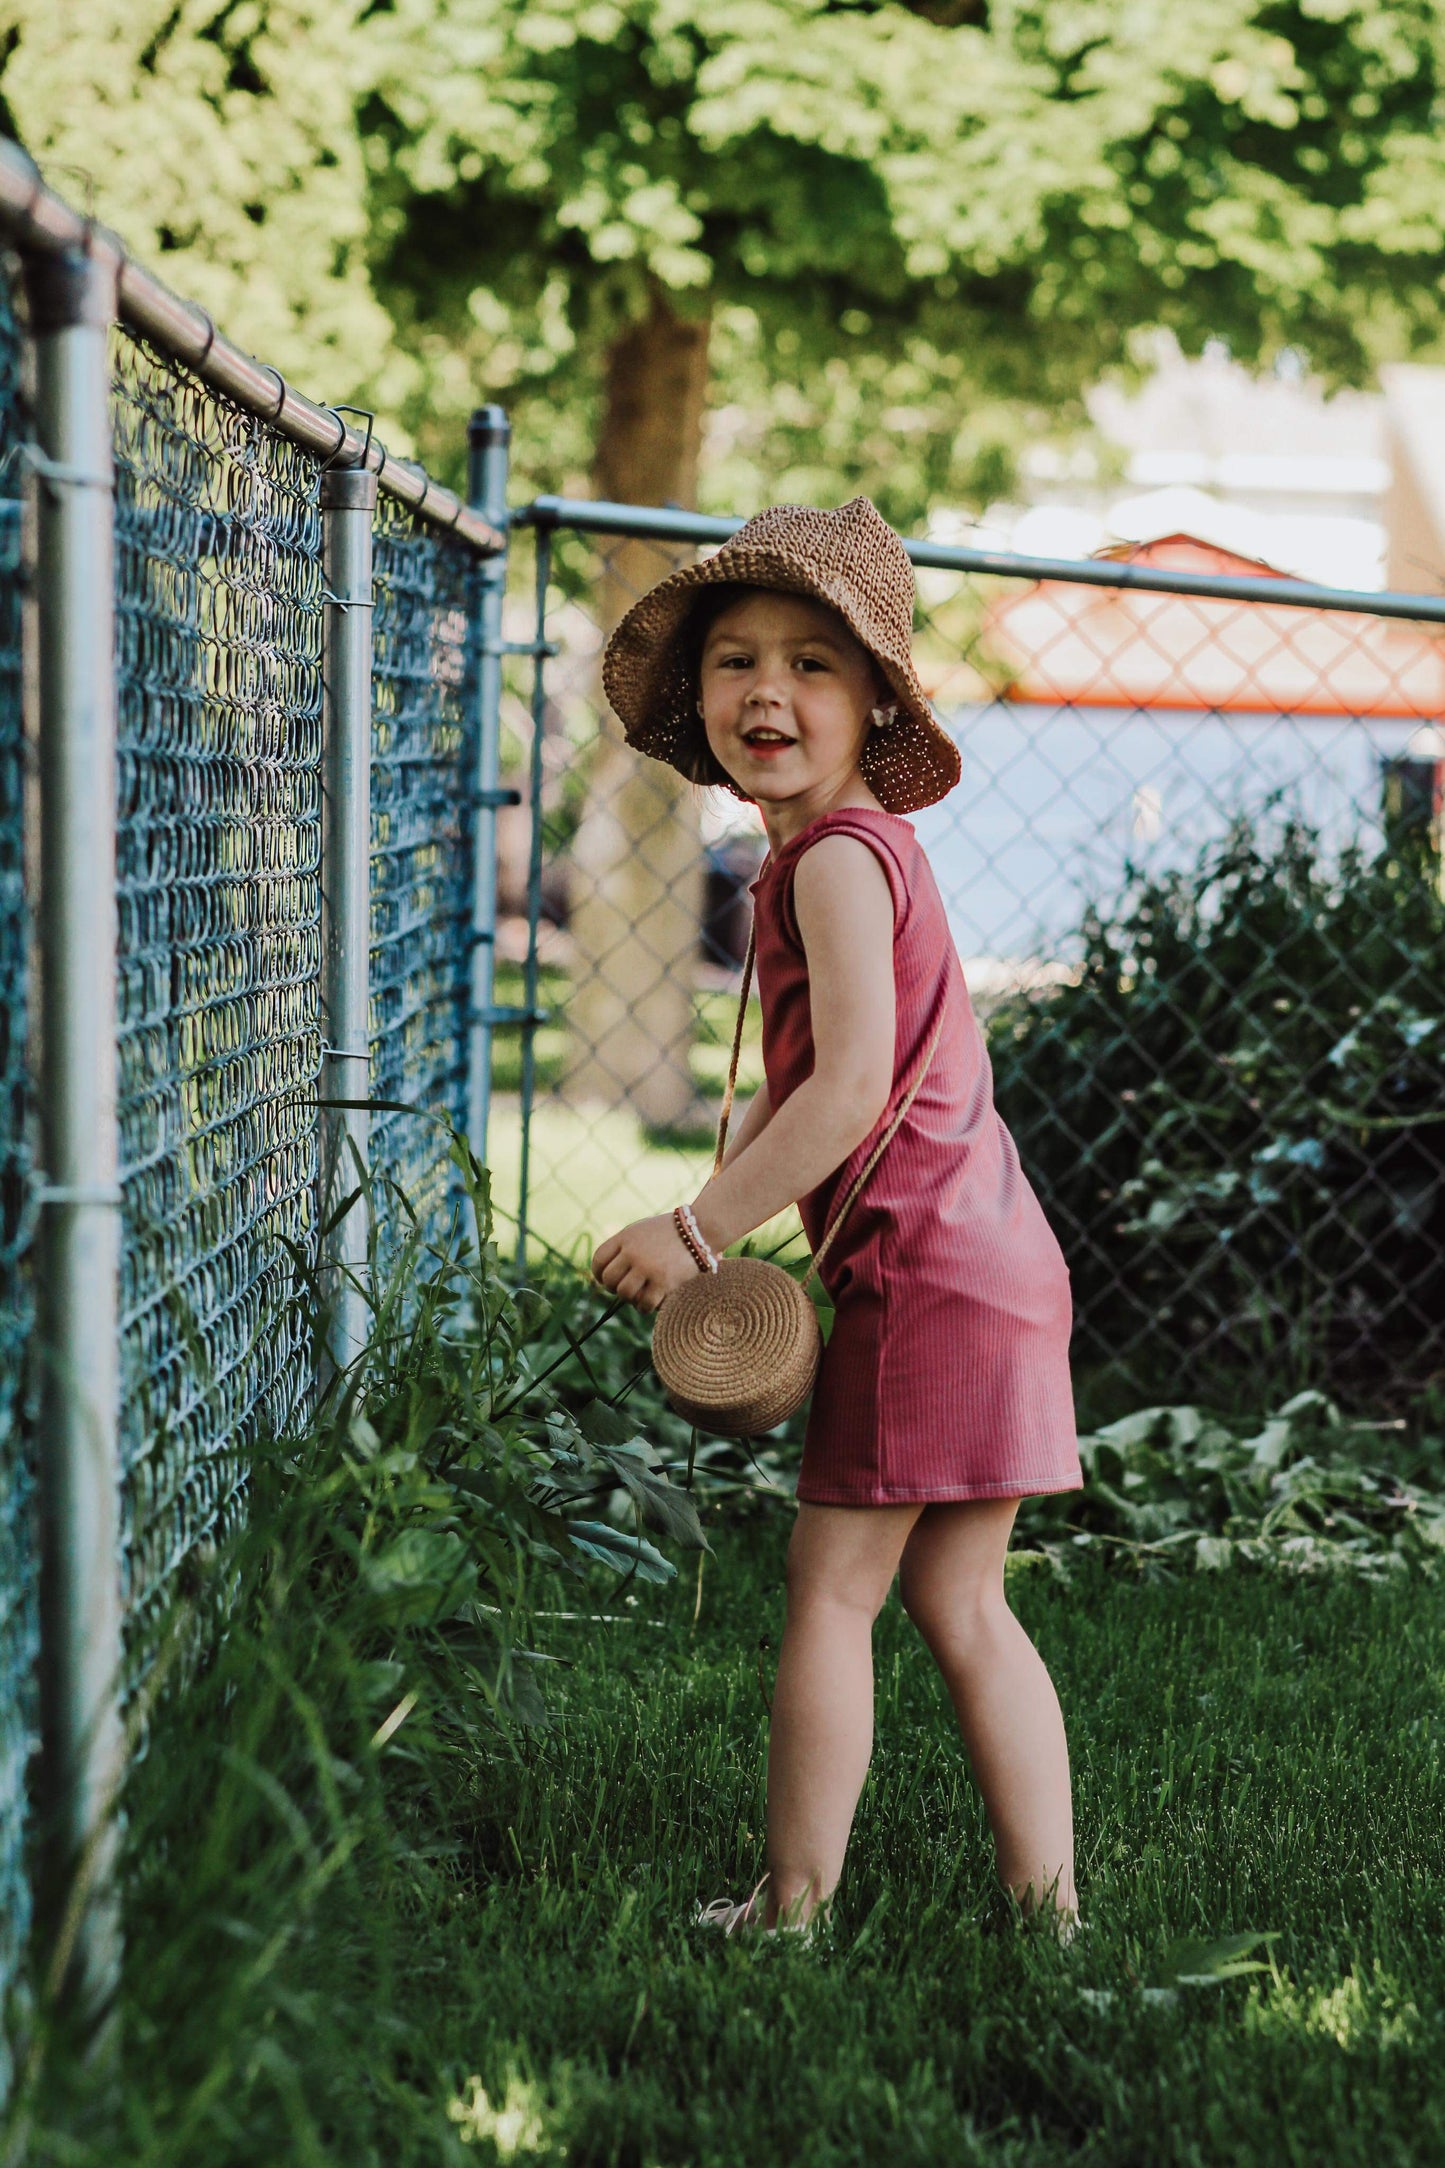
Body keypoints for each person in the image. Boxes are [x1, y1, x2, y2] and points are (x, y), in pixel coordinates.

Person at [591, 499, 1084, 1941]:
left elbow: (851, 1088)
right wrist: (733, 1195)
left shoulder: (834, 864)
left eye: (813, 664)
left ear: (874, 697)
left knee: (828, 1591)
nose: (767, 692)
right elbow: (798, 1092)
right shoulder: (839, 857)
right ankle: (1045, 1918)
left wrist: (694, 1230)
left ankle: (793, 1911)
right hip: (991, 1260)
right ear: (698, 695)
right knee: (963, 1605)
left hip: (926, 1275)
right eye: (736, 660)